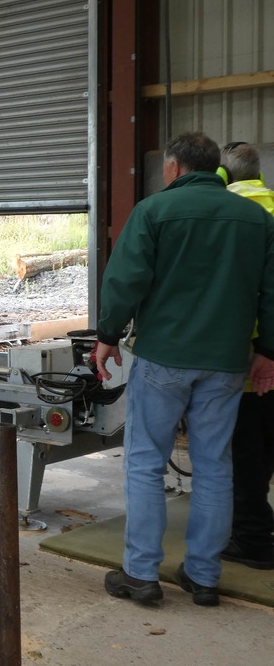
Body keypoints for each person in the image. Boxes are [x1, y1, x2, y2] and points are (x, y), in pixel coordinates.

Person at [95, 131, 274, 607]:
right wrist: (268, 350)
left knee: (145, 462)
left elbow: (125, 278)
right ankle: (203, 576)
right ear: (213, 168)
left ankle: (140, 574)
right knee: (216, 467)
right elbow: (272, 291)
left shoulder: (154, 211)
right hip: (227, 362)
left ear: (173, 167)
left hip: (165, 357)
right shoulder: (257, 218)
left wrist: (108, 335)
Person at [219, 141, 274, 570]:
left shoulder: (227, 216)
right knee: (267, 443)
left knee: (245, 448)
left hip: (250, 355)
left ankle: (252, 537)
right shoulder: (271, 206)